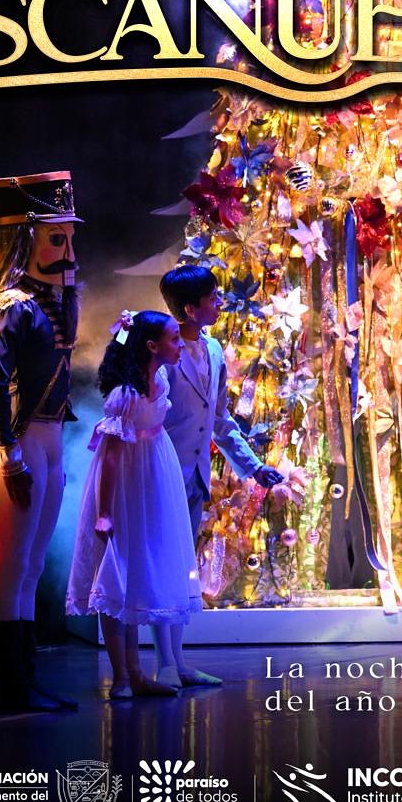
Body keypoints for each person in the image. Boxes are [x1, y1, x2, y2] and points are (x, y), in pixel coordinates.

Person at [0, 170, 82, 713]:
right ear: (27, 242)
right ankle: (12, 685)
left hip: (52, 441)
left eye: (70, 239)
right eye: (56, 239)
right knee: (14, 564)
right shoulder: (14, 306)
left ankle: (26, 679)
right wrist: (9, 455)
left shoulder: (59, 301)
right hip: (22, 444)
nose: (68, 253)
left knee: (33, 566)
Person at [158, 264, 285, 686]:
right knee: (165, 565)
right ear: (190, 309)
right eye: (212, 298)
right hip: (162, 471)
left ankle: (178, 661)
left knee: (183, 567)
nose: (220, 303)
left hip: (194, 475)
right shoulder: (162, 351)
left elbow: (220, 420)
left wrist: (253, 466)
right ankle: (164, 663)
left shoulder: (212, 350)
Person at [66, 310, 202, 699]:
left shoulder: (160, 380)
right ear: (152, 346)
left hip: (155, 474)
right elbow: (110, 457)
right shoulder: (125, 396)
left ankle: (137, 674)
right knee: (116, 573)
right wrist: (104, 511)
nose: (179, 345)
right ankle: (122, 677)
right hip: (126, 483)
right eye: (173, 339)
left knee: (139, 571)